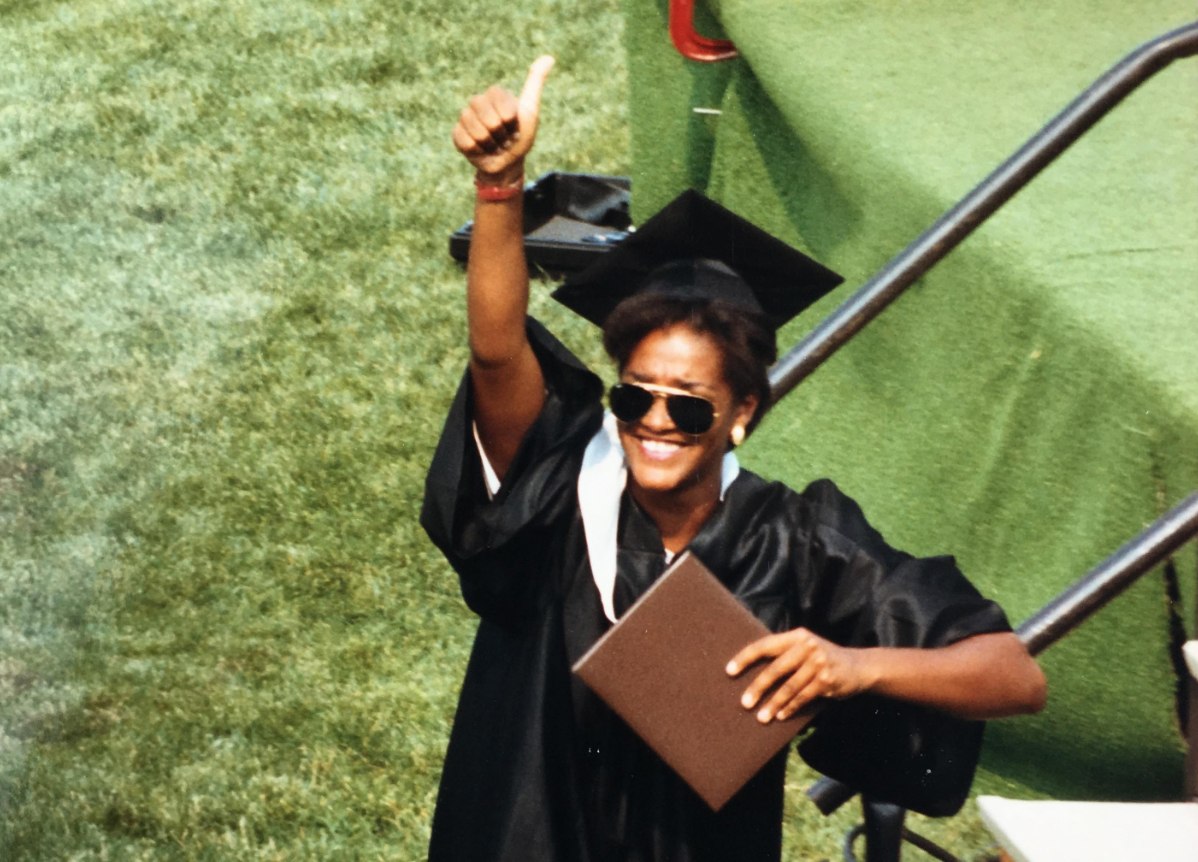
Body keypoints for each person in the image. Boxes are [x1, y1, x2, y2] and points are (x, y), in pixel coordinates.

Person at [421, 56, 1046, 862]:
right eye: (633, 394)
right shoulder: (560, 493)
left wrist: (851, 664)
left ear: (742, 413)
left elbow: (1013, 677)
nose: (654, 420)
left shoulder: (793, 540)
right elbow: (498, 356)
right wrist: (500, 186)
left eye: (687, 405)